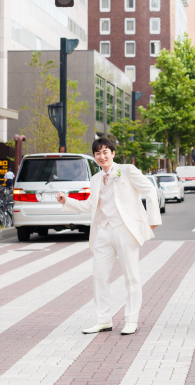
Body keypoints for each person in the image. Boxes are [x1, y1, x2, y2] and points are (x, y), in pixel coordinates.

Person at [57, 137, 160, 336]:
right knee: (99, 276)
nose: (102, 156)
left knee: (131, 277)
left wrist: (151, 219)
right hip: (103, 232)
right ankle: (103, 320)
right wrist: (67, 201)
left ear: (113, 153)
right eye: (98, 153)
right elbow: (90, 206)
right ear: (94, 157)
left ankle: (131, 320)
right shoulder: (95, 179)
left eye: (105, 152)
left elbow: (149, 189)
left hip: (125, 229)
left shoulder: (127, 170)